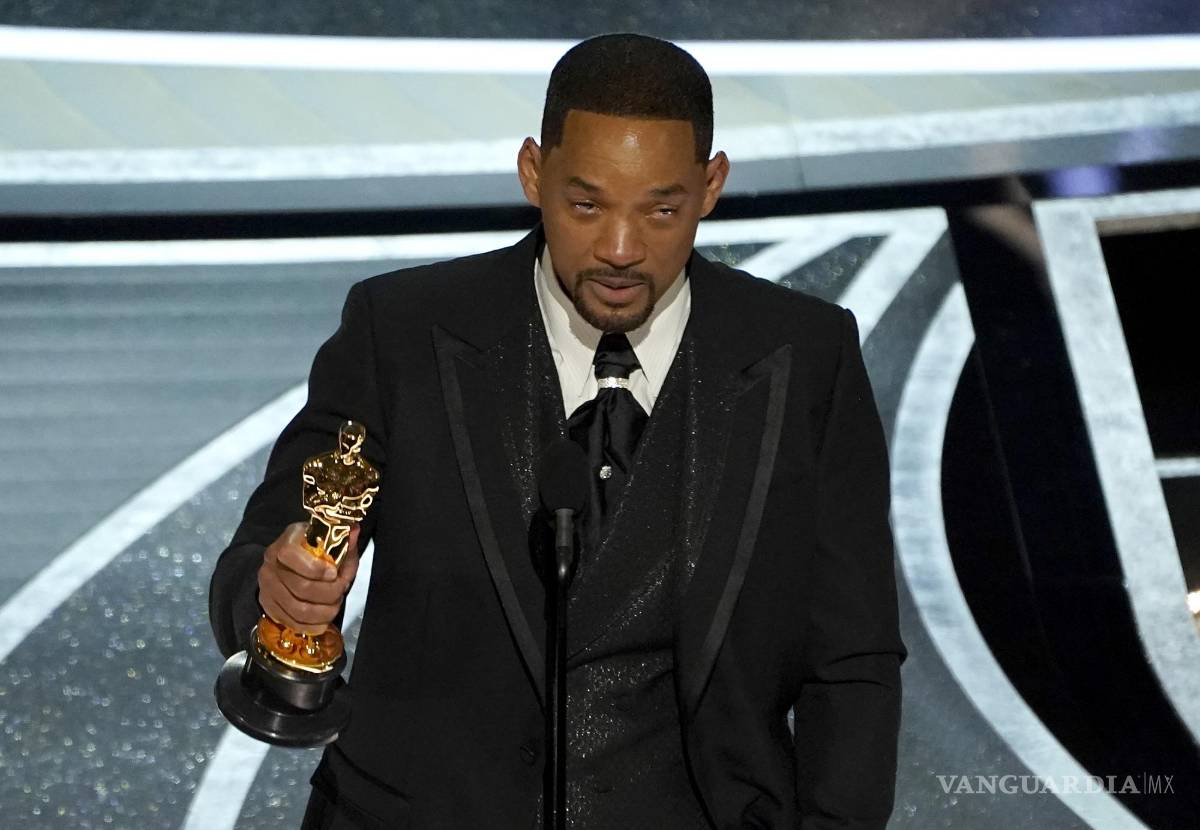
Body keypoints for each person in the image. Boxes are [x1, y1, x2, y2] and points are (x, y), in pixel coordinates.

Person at [209, 32, 906, 829]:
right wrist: (282, 599)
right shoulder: (401, 330)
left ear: (711, 186)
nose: (620, 249)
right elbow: (266, 552)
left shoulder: (803, 355)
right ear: (533, 172)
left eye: (662, 210)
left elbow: (852, 657)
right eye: (586, 204)